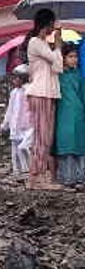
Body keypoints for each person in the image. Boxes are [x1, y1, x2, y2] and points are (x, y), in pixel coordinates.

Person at [25, 9, 64, 190]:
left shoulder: (44, 44)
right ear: (47, 24)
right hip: (40, 92)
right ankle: (36, 177)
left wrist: (56, 49)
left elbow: (58, 67)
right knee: (41, 136)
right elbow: (55, 60)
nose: (53, 28)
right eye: (52, 24)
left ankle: (38, 176)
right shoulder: (35, 42)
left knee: (46, 136)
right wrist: (58, 46)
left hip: (48, 92)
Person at [54, 43, 85, 186]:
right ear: (63, 58)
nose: (74, 59)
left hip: (79, 115)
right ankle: (67, 178)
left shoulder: (79, 76)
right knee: (65, 144)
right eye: (70, 56)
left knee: (79, 145)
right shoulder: (57, 76)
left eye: (76, 56)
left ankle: (80, 178)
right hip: (63, 115)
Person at [0, 64, 33, 174]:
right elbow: (10, 110)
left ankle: (26, 169)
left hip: (26, 126)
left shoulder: (29, 91)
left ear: (23, 78)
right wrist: (4, 125)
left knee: (23, 148)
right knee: (15, 150)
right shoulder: (13, 93)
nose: (14, 80)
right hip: (14, 125)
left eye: (16, 78)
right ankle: (16, 170)